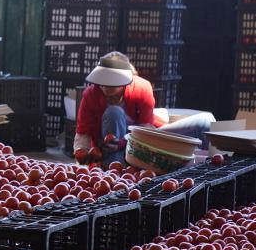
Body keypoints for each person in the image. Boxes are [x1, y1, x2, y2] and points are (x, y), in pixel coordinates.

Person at [74, 51, 214, 167]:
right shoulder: (91, 95)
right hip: (109, 150)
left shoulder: (141, 88)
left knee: (205, 120)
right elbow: (82, 132)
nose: (105, 87)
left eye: (112, 83)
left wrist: (124, 141)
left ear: (125, 81)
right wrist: (82, 151)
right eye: (103, 83)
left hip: (142, 143)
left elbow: (146, 130)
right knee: (114, 112)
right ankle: (115, 170)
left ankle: (214, 166)